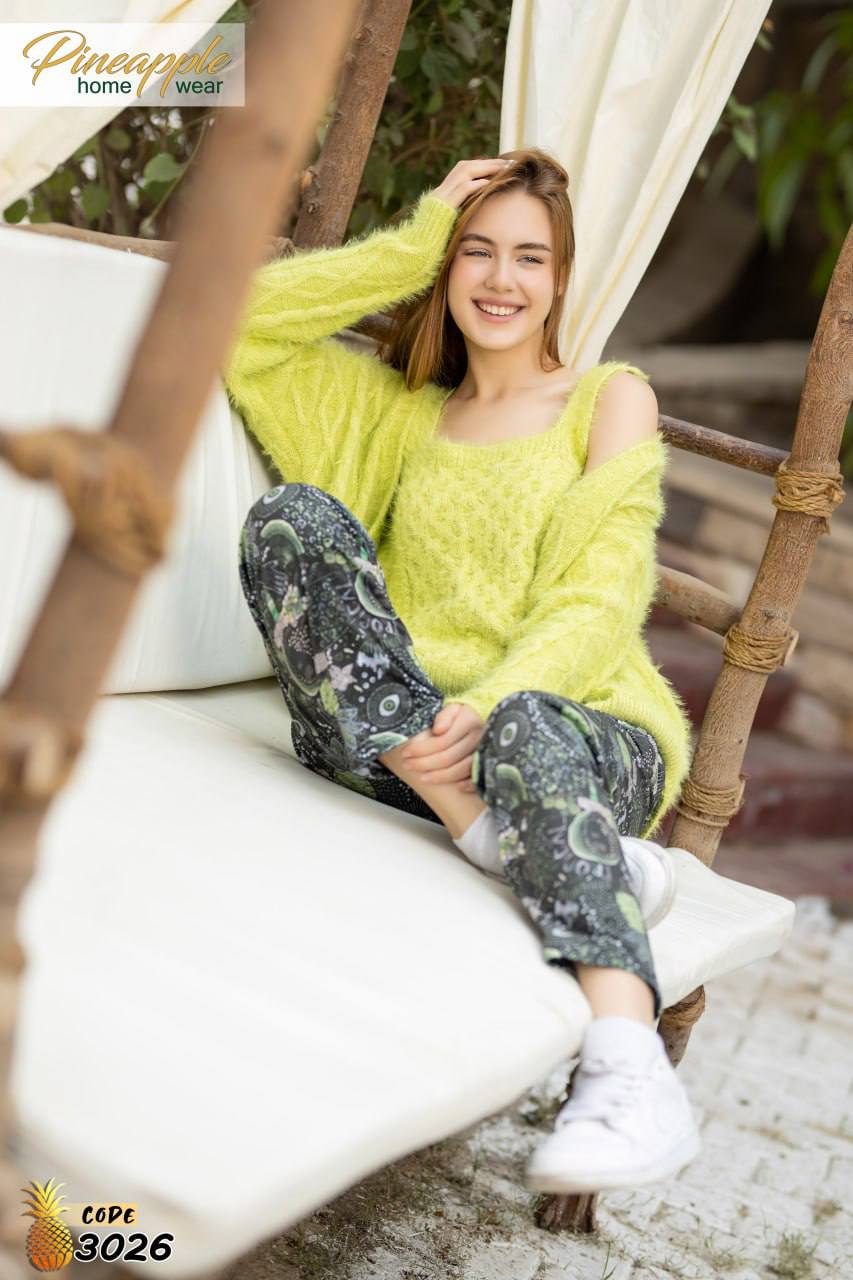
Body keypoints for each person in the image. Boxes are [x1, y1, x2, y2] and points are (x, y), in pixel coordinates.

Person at [223, 148, 702, 1194]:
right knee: (288, 523)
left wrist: (488, 705)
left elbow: (596, 597)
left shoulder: (607, 399)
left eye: (529, 257)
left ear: (561, 280)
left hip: (577, 733)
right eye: (475, 250)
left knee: (530, 721)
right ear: (445, 265)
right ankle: (499, 827)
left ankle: (629, 1071)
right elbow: (236, 323)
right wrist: (415, 229)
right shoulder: (397, 412)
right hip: (406, 743)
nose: (500, 278)